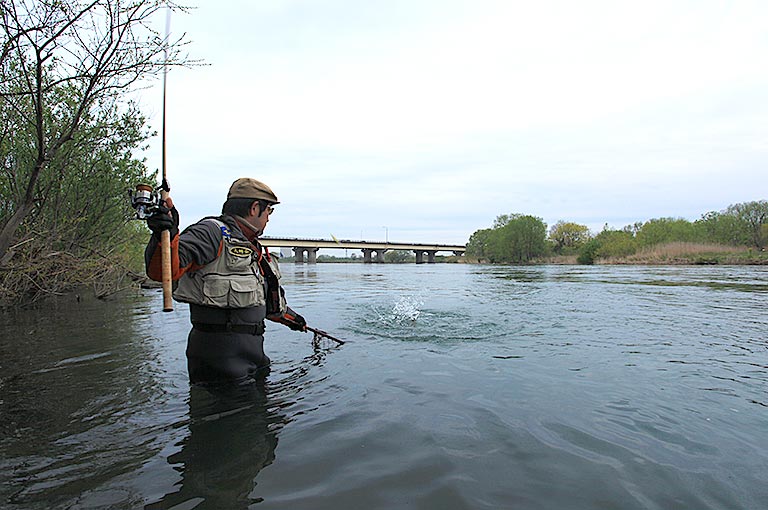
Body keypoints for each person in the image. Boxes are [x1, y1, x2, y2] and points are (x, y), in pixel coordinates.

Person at [144, 177, 306, 386]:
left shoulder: (252, 247)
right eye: (269, 211)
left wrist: (293, 320)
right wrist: (164, 234)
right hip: (221, 366)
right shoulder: (211, 233)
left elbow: (262, 302)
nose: (268, 218)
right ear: (255, 208)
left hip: (254, 360)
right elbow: (164, 272)